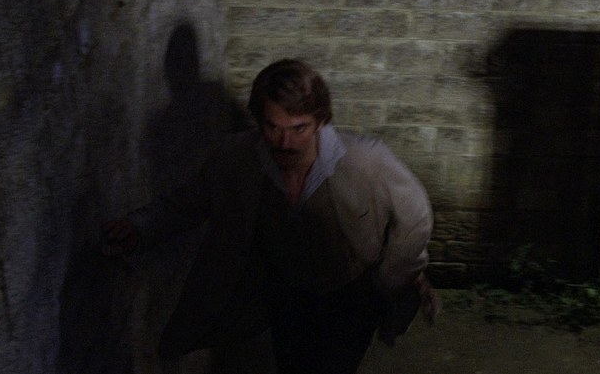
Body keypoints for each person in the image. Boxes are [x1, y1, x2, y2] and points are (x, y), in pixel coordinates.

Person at [102, 58, 438, 374]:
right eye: (273, 127)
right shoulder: (237, 158)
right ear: (258, 120)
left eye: (299, 128)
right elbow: (190, 201)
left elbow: (415, 217)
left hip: (350, 293)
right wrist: (139, 226)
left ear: (321, 121)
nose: (285, 142)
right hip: (285, 291)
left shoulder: (365, 161)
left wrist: (391, 277)